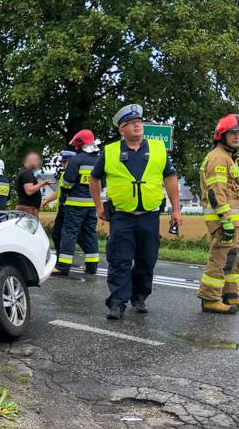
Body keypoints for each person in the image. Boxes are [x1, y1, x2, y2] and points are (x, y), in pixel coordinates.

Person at [90, 104, 181, 320]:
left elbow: (170, 178)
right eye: (131, 123)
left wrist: (176, 210)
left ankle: (139, 296)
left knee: (146, 259)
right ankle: (117, 302)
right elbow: (94, 178)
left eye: (139, 122)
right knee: (120, 260)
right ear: (122, 129)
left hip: (150, 215)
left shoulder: (158, 149)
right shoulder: (110, 151)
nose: (137, 125)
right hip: (122, 216)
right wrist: (99, 207)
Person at [197, 114, 239, 314]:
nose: (237, 137)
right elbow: (216, 192)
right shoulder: (219, 157)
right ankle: (210, 299)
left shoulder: (229, 158)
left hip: (233, 222)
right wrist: (226, 220)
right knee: (220, 259)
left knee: (234, 257)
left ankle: (231, 294)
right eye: (233, 133)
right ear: (222, 135)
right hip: (223, 222)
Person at [53, 130, 101, 276]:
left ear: (79, 143)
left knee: (69, 233)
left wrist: (65, 191)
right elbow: (102, 182)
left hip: (75, 205)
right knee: (90, 234)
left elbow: (67, 182)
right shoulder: (99, 160)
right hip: (92, 205)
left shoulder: (76, 160)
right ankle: (92, 266)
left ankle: (63, 267)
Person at [43, 150, 76, 256]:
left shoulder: (74, 175)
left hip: (69, 210)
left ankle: (63, 257)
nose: (63, 164)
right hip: (63, 209)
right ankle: (61, 255)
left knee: (61, 235)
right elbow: (59, 192)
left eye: (64, 162)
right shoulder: (64, 175)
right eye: (62, 162)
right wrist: (46, 201)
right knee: (58, 235)